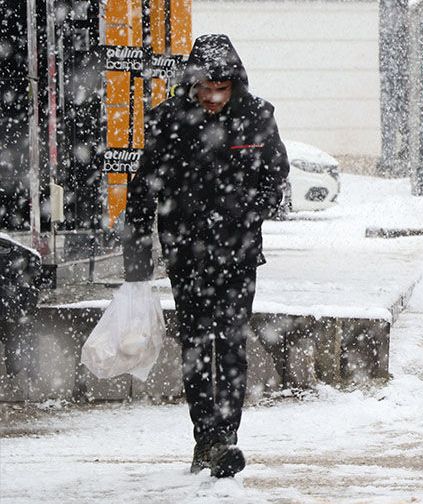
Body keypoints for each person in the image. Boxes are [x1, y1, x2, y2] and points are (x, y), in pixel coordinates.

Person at [123, 34, 289, 478]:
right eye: (206, 89)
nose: (214, 98)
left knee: (231, 344)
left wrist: (244, 210)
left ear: (235, 84)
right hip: (187, 257)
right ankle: (206, 439)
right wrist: (136, 266)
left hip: (238, 255)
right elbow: (141, 194)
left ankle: (227, 437)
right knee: (196, 346)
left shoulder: (257, 118)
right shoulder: (168, 121)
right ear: (192, 84)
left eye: (222, 89)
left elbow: (277, 183)